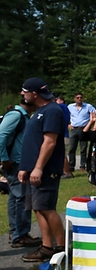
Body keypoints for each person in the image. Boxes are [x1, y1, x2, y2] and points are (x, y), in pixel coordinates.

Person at [18, 77, 66, 263]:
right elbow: (33, 142)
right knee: (38, 208)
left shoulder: (52, 111)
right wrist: (25, 168)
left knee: (47, 208)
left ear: (35, 93)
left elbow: (49, 142)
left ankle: (61, 249)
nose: (22, 94)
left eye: (25, 91)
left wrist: (38, 168)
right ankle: (46, 247)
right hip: (33, 170)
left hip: (46, 171)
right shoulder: (40, 111)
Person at [0, 97, 36, 248]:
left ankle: (16, 232)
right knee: (22, 198)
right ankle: (20, 235)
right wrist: (4, 158)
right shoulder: (16, 115)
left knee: (15, 197)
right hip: (14, 163)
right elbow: (1, 136)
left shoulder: (22, 116)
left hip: (16, 162)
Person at [67, 93, 95, 172]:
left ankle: (82, 166)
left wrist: (90, 123)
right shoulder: (70, 107)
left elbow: (95, 114)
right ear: (74, 99)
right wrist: (68, 124)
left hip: (84, 129)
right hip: (73, 129)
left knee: (83, 149)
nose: (79, 99)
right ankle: (71, 166)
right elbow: (65, 116)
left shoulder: (88, 106)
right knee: (72, 149)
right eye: (77, 97)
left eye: (81, 97)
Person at [56, 96, 74, 178]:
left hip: (63, 135)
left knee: (62, 154)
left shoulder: (62, 106)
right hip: (64, 134)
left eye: (57, 100)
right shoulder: (64, 108)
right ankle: (64, 171)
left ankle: (67, 172)